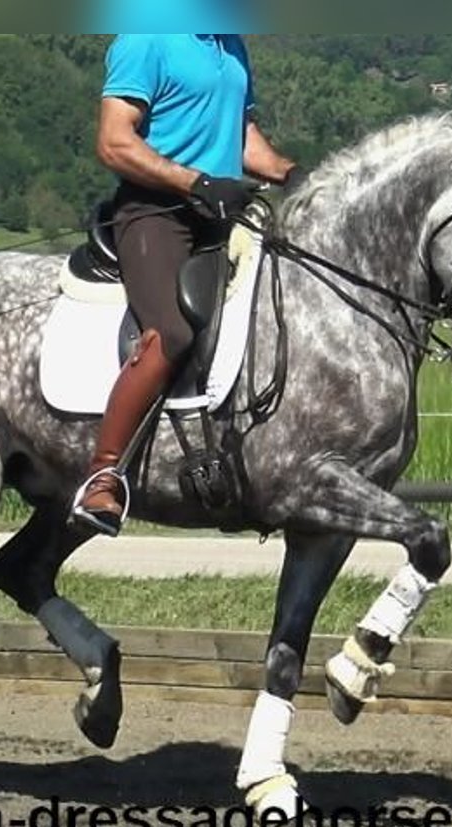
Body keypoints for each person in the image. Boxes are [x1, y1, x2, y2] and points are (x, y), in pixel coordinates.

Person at [70, 33, 305, 537]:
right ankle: (103, 475)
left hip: (221, 213)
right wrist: (194, 182)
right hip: (157, 213)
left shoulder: (232, 46)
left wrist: (293, 173)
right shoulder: (146, 39)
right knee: (171, 333)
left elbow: (242, 139)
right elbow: (114, 140)